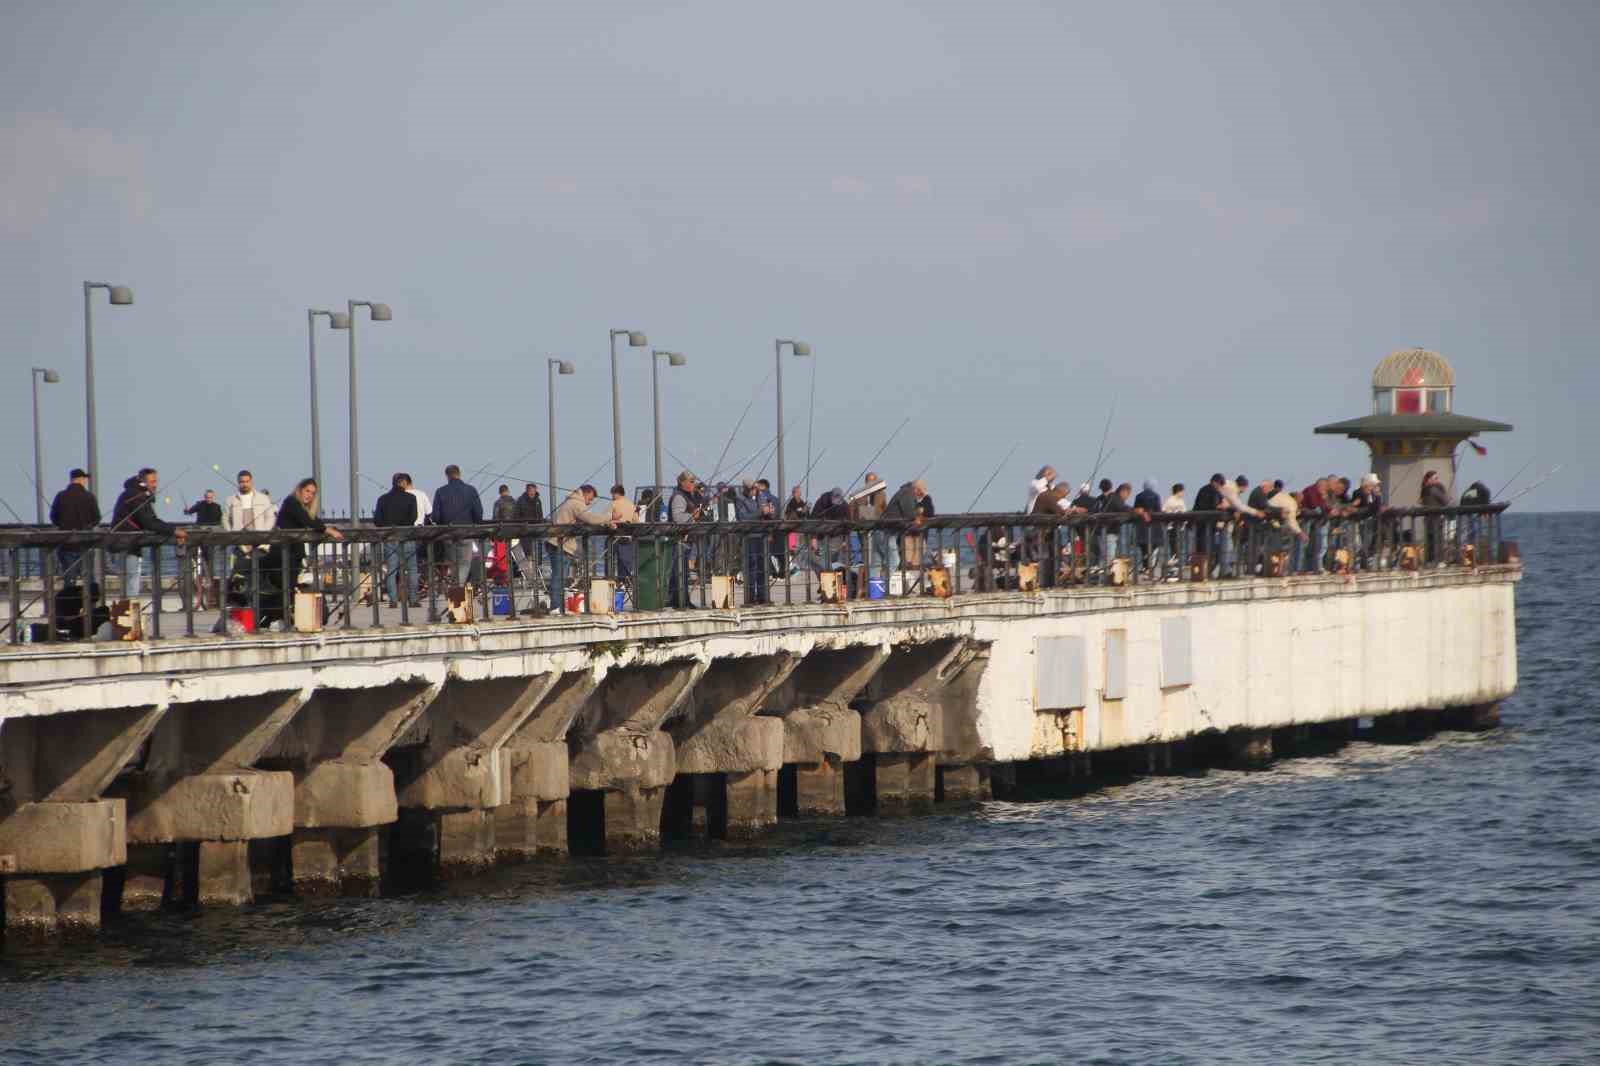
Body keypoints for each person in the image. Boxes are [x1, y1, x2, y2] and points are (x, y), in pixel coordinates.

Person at [271, 478, 345, 622]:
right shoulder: (291, 502)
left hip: (293, 554)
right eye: (307, 491)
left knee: (291, 586)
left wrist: (326, 528)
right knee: (287, 586)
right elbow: (308, 521)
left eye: (312, 493)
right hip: (282, 553)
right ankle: (287, 617)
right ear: (300, 490)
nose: (309, 495)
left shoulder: (300, 506)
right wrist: (327, 530)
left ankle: (294, 617)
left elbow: (312, 520)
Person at [111, 468, 186, 600]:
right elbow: (149, 521)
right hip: (127, 544)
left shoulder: (131, 493)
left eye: (156, 481)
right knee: (131, 582)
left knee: (126, 582)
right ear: (143, 483)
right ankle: (130, 614)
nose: (155, 485)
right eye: (152, 481)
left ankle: (125, 614)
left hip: (120, 542)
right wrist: (174, 530)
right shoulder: (137, 496)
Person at [546, 484, 613, 606]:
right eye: (590, 499)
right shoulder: (576, 503)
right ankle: (556, 607)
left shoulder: (571, 502)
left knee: (560, 577)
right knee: (559, 578)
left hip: (557, 544)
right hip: (559, 544)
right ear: (585, 494)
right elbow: (590, 518)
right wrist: (609, 517)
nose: (590, 502)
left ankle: (557, 606)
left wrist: (606, 523)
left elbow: (586, 520)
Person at [430, 465, 483, 587]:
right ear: (459, 474)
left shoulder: (440, 491)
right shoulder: (471, 490)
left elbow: (436, 516)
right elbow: (478, 514)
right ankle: (457, 588)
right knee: (464, 563)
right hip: (466, 532)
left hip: (447, 533)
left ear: (447, 476)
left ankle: (456, 592)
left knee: (454, 564)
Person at [374, 473, 420, 607]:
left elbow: (377, 520)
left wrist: (388, 526)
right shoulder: (411, 498)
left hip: (390, 538)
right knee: (412, 569)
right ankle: (413, 600)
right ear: (404, 483)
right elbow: (413, 518)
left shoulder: (382, 499)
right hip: (407, 537)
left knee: (392, 571)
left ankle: (393, 601)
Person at [50, 468, 100, 585]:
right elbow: (97, 518)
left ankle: (69, 600)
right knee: (88, 577)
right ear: (81, 479)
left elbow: (53, 516)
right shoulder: (89, 496)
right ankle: (89, 601)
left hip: (66, 542)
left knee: (69, 577)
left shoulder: (61, 496)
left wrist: (63, 525)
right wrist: (88, 526)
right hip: (85, 542)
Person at [667, 471, 702, 607]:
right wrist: (693, 516)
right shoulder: (679, 497)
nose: (694, 484)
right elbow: (678, 518)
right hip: (679, 540)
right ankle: (679, 601)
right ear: (683, 483)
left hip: (687, 540)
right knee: (678, 572)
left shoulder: (688, 496)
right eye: (691, 482)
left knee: (683, 572)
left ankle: (683, 600)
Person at [608, 484, 638, 581]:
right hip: (628, 537)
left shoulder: (614, 504)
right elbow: (636, 520)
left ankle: (610, 580)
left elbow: (605, 518)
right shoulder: (631, 504)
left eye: (612, 494)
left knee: (610, 561)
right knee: (626, 563)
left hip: (615, 536)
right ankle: (625, 582)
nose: (612, 497)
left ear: (616, 493)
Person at [1420, 470, 1451, 563]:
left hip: (1428, 519)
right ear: (1429, 480)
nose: (1438, 480)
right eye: (1436, 478)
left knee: (1430, 541)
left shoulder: (1424, 490)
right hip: (1436, 518)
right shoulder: (1434, 489)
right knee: (1437, 540)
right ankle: (1438, 560)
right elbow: (1445, 501)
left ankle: (1429, 560)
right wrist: (1444, 491)